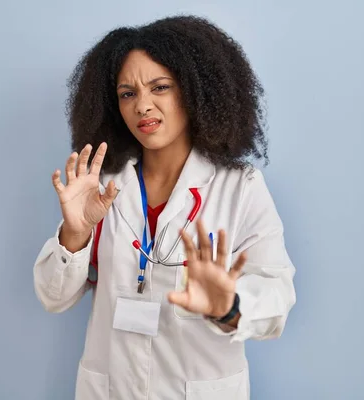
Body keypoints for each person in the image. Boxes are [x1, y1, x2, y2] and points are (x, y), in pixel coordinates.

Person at [33, 14, 296, 400]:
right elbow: (53, 298)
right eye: (127, 93)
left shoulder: (240, 186)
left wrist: (229, 306)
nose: (143, 105)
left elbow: (277, 297)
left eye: (160, 87)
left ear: (195, 92)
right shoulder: (102, 186)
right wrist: (75, 234)